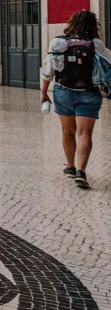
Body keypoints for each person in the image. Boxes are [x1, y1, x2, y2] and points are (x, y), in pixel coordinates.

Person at [40, 10, 109, 189]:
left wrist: (44, 92)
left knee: (67, 131)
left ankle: (70, 167)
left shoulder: (58, 42)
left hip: (64, 92)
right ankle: (81, 171)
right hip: (89, 92)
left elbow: (48, 69)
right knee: (85, 133)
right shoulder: (96, 43)